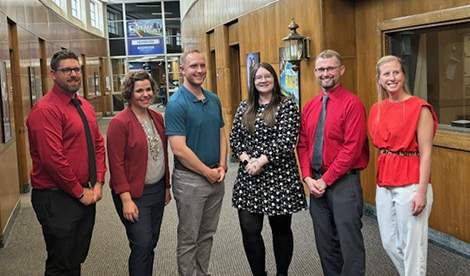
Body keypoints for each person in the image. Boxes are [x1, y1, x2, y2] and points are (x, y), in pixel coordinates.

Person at [26, 50, 106, 275]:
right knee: (60, 264)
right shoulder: (46, 110)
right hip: (56, 197)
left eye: (77, 69)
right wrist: (79, 192)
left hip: (85, 193)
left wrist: (98, 181)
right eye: (67, 70)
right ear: (53, 74)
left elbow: (98, 144)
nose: (73, 74)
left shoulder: (83, 105)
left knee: (75, 258)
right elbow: (53, 159)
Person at [297, 49, 369, 276]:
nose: (325, 73)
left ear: (341, 70)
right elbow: (303, 144)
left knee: (350, 244)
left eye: (330, 68)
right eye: (320, 69)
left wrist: (326, 181)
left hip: (343, 184)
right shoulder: (310, 106)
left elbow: (352, 148)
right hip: (315, 184)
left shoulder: (352, 104)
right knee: (325, 244)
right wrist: (308, 178)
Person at [230, 62, 307, 276]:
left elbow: (286, 141)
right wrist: (247, 162)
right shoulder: (244, 107)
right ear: (253, 82)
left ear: (274, 79)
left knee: (280, 230)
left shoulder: (287, 105)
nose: (263, 80)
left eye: (267, 76)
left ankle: (282, 273)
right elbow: (235, 139)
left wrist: (260, 162)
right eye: (258, 78)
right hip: (249, 178)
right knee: (249, 229)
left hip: (280, 178)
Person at [369, 55, 437, 276]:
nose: (392, 78)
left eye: (396, 72)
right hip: (385, 178)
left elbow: (426, 153)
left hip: (411, 179)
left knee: (412, 247)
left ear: (404, 75)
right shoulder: (377, 109)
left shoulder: (420, 108)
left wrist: (421, 191)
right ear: (379, 79)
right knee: (389, 242)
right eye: (386, 74)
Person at [165, 49, 227, 276]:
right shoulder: (176, 104)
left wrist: (222, 165)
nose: (199, 70)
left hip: (215, 177)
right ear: (182, 70)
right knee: (189, 238)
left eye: (202, 65)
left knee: (207, 234)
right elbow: (179, 149)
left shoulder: (214, 99)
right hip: (190, 180)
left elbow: (221, 133)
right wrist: (206, 172)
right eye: (193, 66)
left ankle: (202, 272)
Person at [107, 70, 171, 276]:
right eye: (139, 91)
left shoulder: (157, 118)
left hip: (157, 191)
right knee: (141, 244)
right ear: (129, 94)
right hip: (134, 194)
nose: (146, 94)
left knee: (150, 242)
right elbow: (116, 165)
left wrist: (167, 186)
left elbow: (163, 155)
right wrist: (126, 199)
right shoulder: (119, 123)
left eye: (148, 89)